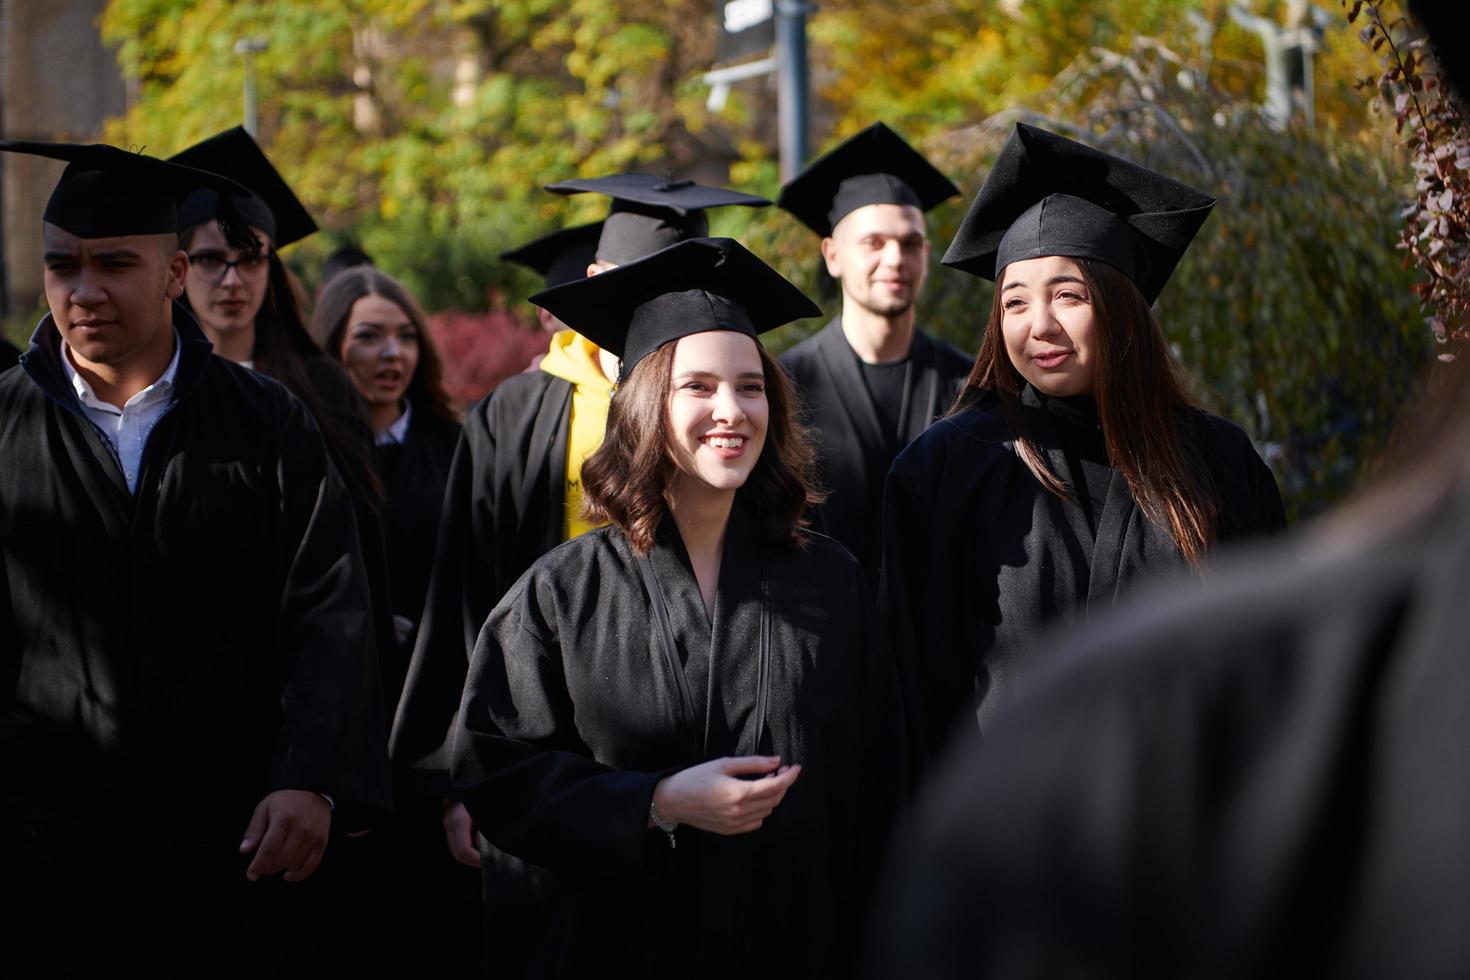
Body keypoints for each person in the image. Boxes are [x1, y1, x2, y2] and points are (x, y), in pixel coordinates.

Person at [451, 237, 904, 978]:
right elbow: (496, 772)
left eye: (751, 386)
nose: (731, 410)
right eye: (697, 386)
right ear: (642, 404)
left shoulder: (832, 583)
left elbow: (878, 787)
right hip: (619, 947)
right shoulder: (561, 594)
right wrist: (655, 802)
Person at [0, 140, 391, 977]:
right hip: (44, 846)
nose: (84, 290)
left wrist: (311, 775)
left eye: (114, 263)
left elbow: (328, 609)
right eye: (62, 266)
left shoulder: (265, 421)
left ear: (176, 273)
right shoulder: (4, 425)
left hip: (234, 833)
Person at [390, 175, 773, 978]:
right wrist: (458, 778)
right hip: (547, 729)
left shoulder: (724, 413)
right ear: (601, 288)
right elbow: (464, 591)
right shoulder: (516, 412)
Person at [882, 123, 1286, 766]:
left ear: (1121, 306)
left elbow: (1271, 665)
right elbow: (904, 702)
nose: (1039, 324)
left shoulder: (1216, 461)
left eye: (1068, 295)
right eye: (1014, 302)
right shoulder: (946, 470)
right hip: (1007, 843)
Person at [169, 127, 398, 707]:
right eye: (210, 260)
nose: (231, 280)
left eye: (250, 260)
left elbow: (360, 542)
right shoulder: (158, 389)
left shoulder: (321, 387)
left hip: (306, 655)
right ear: (177, 269)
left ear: (271, 266)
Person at [310, 267, 477, 972]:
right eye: (369, 336)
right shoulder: (306, 446)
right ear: (332, 346)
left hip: (437, 733)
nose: (392, 355)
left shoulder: (457, 447)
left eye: (406, 337)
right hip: (343, 735)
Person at [777, 122, 973, 578]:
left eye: (910, 244)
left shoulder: (968, 386)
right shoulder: (784, 387)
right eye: (873, 242)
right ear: (832, 255)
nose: (894, 260)